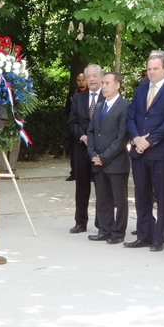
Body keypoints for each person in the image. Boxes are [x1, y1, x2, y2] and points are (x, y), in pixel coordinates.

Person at [125, 50, 164, 251]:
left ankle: (159, 237)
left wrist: (149, 141)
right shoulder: (140, 90)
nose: (151, 72)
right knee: (141, 196)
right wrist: (136, 138)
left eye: (155, 69)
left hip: (161, 153)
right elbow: (131, 117)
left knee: (163, 197)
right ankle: (144, 235)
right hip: (139, 152)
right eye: (149, 69)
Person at [87, 71, 131, 244]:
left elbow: (122, 137)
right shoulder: (99, 105)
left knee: (119, 200)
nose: (103, 86)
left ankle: (118, 232)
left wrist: (104, 157)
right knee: (103, 198)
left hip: (116, 162)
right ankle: (104, 229)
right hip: (98, 161)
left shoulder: (125, 106)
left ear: (117, 85)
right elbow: (91, 131)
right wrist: (92, 153)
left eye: (107, 83)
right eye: (103, 83)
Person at [68, 64, 104, 234]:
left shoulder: (107, 96)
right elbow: (72, 122)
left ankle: (101, 223)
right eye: (88, 76)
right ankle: (80, 222)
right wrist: (82, 136)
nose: (91, 79)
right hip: (81, 149)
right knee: (81, 187)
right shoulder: (78, 98)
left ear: (101, 77)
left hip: (101, 150)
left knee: (101, 187)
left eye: (94, 76)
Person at [65, 72, 88, 181]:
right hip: (75, 125)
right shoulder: (72, 94)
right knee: (75, 150)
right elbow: (67, 110)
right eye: (79, 80)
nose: (81, 82)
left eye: (83, 80)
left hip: (88, 126)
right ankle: (74, 172)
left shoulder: (91, 93)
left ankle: (91, 173)